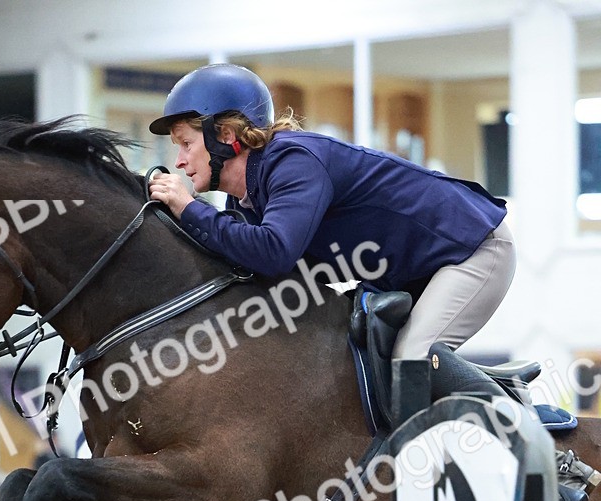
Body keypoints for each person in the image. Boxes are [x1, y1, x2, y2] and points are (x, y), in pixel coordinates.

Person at [148, 63, 515, 360]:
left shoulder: (294, 161)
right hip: (413, 271)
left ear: (225, 135)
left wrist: (189, 208)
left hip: (472, 249)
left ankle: (508, 420)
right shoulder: (245, 200)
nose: (179, 161)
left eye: (185, 143)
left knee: (412, 356)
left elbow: (273, 252)